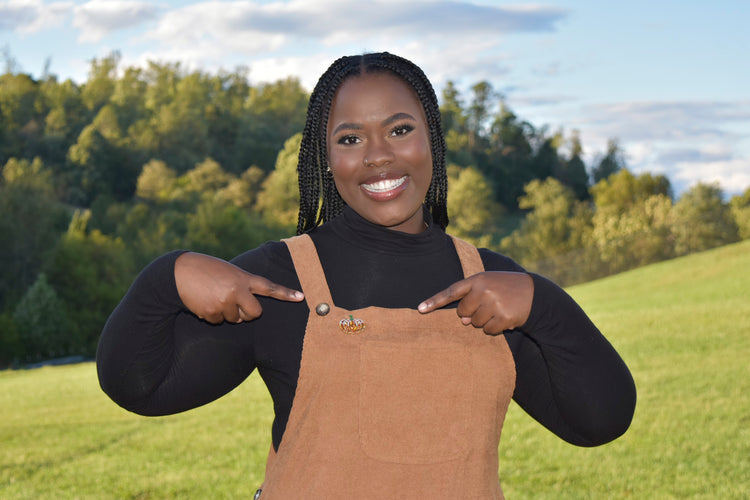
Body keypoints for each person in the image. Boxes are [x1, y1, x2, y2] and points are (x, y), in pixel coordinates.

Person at [97, 52, 636, 499]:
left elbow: (600, 421)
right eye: (351, 139)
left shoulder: (496, 284)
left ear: (432, 140)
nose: (378, 157)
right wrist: (165, 278)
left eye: (400, 130)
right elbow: (141, 388)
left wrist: (546, 304)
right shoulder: (281, 279)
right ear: (325, 159)